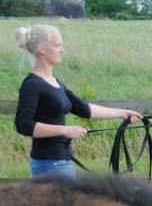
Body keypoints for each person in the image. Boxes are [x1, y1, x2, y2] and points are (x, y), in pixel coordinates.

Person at [14, 25, 143, 179]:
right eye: (57, 45)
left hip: (61, 161)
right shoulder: (32, 84)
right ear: (42, 49)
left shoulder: (56, 83)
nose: (62, 50)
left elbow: (84, 109)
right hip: (49, 164)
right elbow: (23, 124)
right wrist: (65, 130)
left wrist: (122, 113)